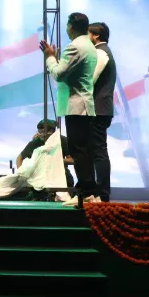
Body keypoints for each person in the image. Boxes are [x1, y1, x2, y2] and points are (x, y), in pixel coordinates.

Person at [40, 13, 98, 206]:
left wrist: (49, 58)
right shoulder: (88, 45)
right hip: (85, 104)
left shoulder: (75, 46)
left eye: (67, 25)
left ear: (71, 26)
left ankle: (87, 194)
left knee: (79, 151)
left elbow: (58, 74)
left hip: (76, 105)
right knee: (85, 151)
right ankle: (88, 192)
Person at [88, 22, 117, 202]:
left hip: (99, 108)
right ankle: (99, 192)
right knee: (97, 150)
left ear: (96, 36)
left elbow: (90, 79)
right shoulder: (105, 51)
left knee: (98, 151)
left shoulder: (101, 52)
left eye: (88, 34)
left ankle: (101, 193)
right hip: (103, 108)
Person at [16, 119, 75, 190]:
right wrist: (21, 175)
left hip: (60, 173)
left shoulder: (62, 140)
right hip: (40, 175)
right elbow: (19, 158)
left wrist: (57, 159)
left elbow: (72, 160)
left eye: (43, 132)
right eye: (39, 132)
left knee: (68, 181)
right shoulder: (35, 142)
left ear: (51, 132)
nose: (40, 135)